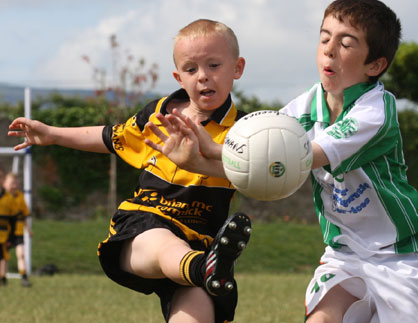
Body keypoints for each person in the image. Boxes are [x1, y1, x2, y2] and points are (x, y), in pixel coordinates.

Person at [148, 0, 418, 322]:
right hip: (345, 256)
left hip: (400, 257)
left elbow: (294, 160)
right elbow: (261, 164)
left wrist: (214, 150)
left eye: (346, 43)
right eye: (324, 37)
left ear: (374, 65)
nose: (329, 49)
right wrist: (197, 160)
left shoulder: (375, 111)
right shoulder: (304, 107)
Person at [8, 19, 251, 322]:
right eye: (191, 69)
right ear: (178, 77)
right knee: (165, 245)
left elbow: (263, 176)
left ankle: (206, 270)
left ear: (237, 68)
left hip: (201, 243)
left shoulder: (248, 132)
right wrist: (53, 134)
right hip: (145, 226)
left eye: (214, 65)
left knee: (197, 314)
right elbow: (111, 137)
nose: (203, 77)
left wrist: (205, 159)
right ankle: (204, 270)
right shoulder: (159, 113)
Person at [3, 172, 32, 287]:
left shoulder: (20, 197)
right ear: (5, 183)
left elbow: (23, 215)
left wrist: (28, 229)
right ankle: (3, 278)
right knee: (4, 256)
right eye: (11, 183)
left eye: (15, 183)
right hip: (6, 232)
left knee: (21, 254)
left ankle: (24, 277)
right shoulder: (3, 197)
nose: (13, 186)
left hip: (18, 231)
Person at [0, 166, 16, 287]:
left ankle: (3, 278)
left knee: (3, 256)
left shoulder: (9, 198)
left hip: (4, 232)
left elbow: (13, 219)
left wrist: (11, 237)